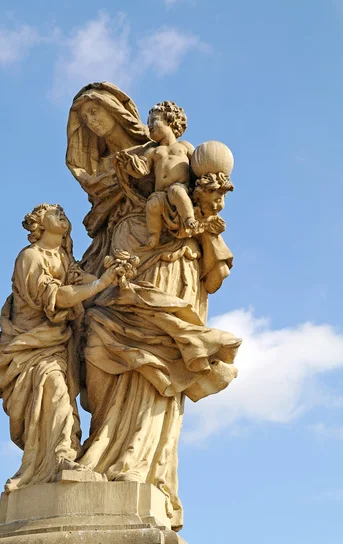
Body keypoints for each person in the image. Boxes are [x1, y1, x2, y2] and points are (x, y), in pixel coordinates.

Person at [66, 82, 240, 531]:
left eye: (99, 117)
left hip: (164, 261)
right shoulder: (109, 169)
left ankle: (134, 464)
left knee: (153, 360)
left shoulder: (170, 153)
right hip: (116, 260)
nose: (96, 127)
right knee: (96, 347)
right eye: (87, 123)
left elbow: (195, 201)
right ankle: (100, 449)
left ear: (122, 115)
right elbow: (101, 217)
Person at [0, 203, 118, 492]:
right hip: (30, 346)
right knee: (55, 392)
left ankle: (64, 453)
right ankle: (58, 459)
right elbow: (56, 297)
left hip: (58, 342)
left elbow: (77, 279)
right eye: (51, 211)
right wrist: (100, 285)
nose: (60, 211)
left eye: (61, 210)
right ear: (38, 224)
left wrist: (114, 277)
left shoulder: (62, 256)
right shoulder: (30, 258)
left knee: (64, 401)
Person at [141, 101, 199, 248]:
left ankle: (189, 219)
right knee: (152, 205)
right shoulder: (152, 151)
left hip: (180, 186)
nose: (149, 125)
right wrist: (131, 165)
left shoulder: (184, 146)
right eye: (148, 123)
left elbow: (198, 164)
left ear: (170, 121)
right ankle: (154, 235)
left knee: (177, 192)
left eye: (154, 120)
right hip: (159, 192)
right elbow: (142, 169)